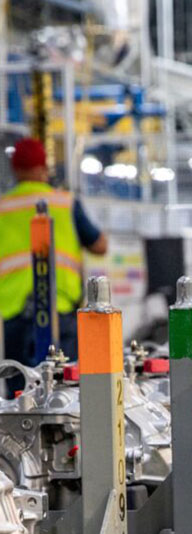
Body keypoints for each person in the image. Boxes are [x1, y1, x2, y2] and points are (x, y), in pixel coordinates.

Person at [0, 137, 107, 364]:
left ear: (15, 169)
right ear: (44, 168)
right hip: (60, 309)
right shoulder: (65, 203)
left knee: (22, 390)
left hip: (12, 316)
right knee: (64, 386)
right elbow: (100, 245)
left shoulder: (3, 207)